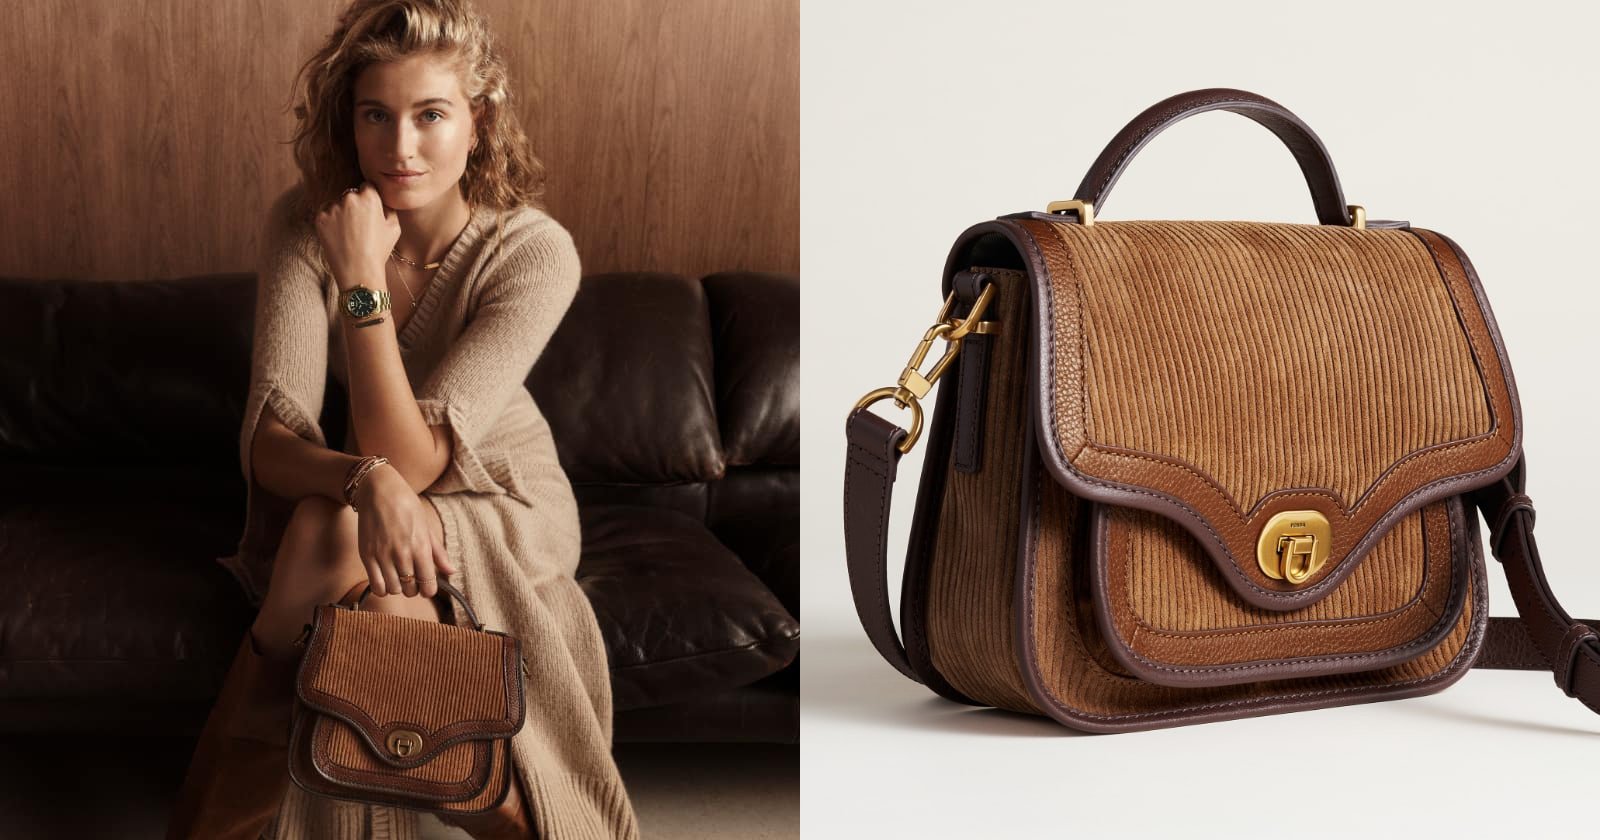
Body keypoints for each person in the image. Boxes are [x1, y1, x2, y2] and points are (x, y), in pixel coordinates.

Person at [166, 1, 640, 837]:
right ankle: (510, 822)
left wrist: (362, 283)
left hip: (505, 498)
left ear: (479, 120)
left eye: (431, 115)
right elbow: (271, 440)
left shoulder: (532, 251)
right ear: (347, 122)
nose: (400, 147)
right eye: (375, 116)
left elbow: (416, 460)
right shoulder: (305, 221)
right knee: (350, 567)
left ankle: (215, 823)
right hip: (367, 495)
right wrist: (366, 480)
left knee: (325, 541)